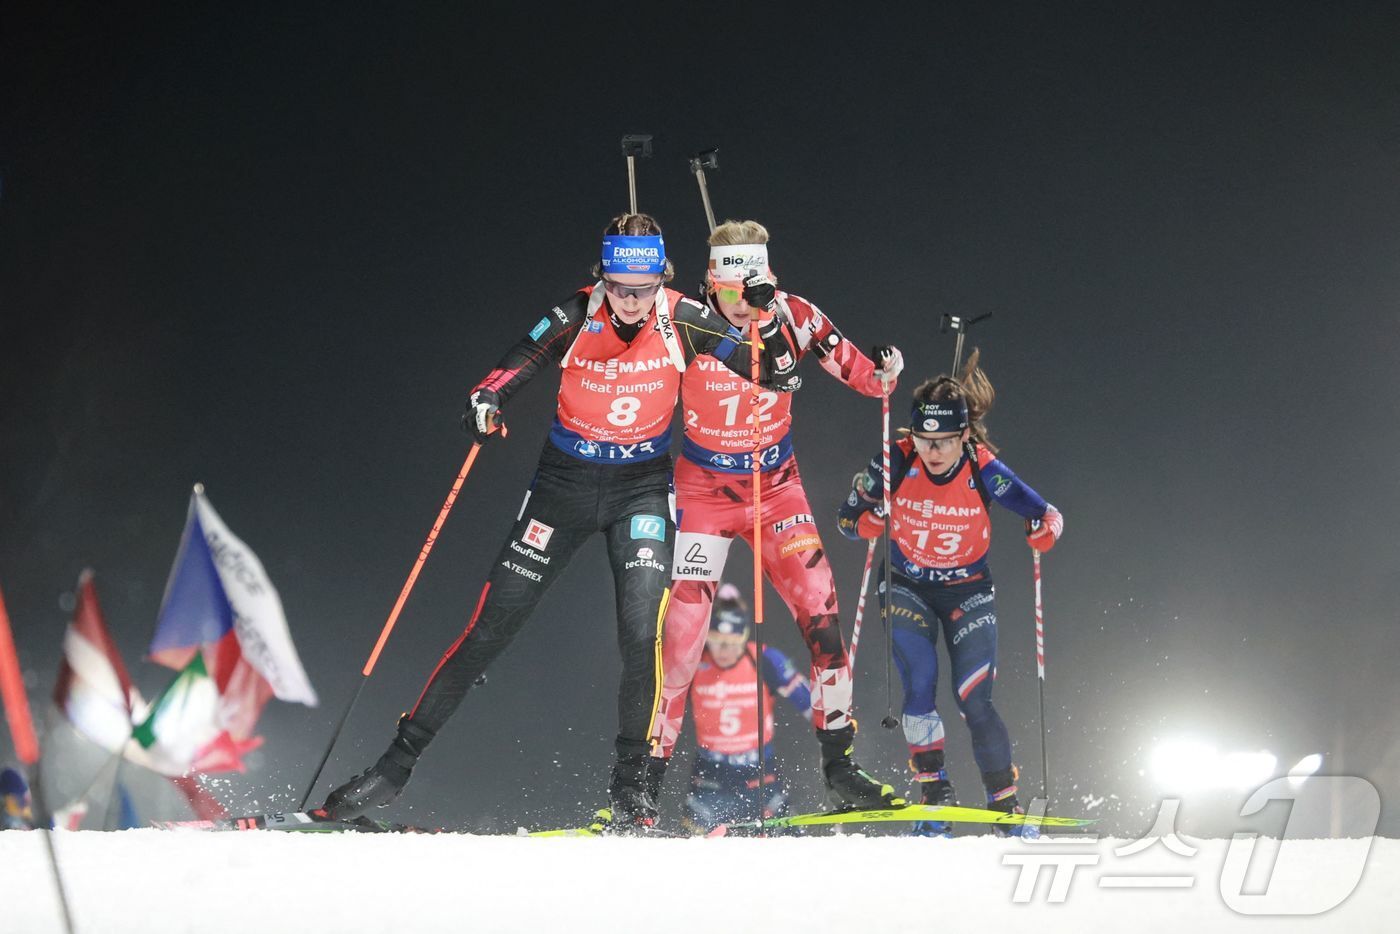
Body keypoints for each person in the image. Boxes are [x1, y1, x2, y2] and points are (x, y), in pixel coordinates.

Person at [317, 213, 803, 832]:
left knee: (641, 633)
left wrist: (766, 316)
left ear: (662, 280)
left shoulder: (683, 317)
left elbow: (780, 374)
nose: (630, 302)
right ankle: (392, 770)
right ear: (601, 277)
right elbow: (515, 362)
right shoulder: (577, 311)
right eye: (619, 287)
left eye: (643, 288)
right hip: (563, 488)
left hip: (641, 491)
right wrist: (487, 399)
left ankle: (633, 793)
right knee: (491, 627)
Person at [649, 219, 906, 811]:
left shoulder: (791, 313)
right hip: (705, 490)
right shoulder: (685, 319)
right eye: (734, 295)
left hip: (776, 489)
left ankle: (841, 767)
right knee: (683, 636)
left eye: (756, 290)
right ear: (713, 284)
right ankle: (646, 781)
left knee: (821, 608)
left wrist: (884, 372)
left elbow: (860, 373)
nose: (745, 307)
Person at [836, 350, 1063, 835]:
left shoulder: (984, 468)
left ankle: (1005, 804)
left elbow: (1047, 513)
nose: (932, 451)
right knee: (919, 684)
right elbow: (846, 520)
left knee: (974, 698)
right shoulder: (893, 462)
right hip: (906, 585)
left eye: (943, 441)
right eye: (923, 439)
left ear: (964, 435)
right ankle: (935, 794)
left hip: (968, 592)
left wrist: (1045, 531)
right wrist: (868, 522)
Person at [678, 583, 812, 833]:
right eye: (716, 641)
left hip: (760, 776)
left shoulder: (764, 660)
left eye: (732, 642)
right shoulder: (694, 663)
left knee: (792, 843)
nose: (723, 651)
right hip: (710, 779)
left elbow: (811, 704)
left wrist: (837, 727)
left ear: (745, 635)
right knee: (697, 854)